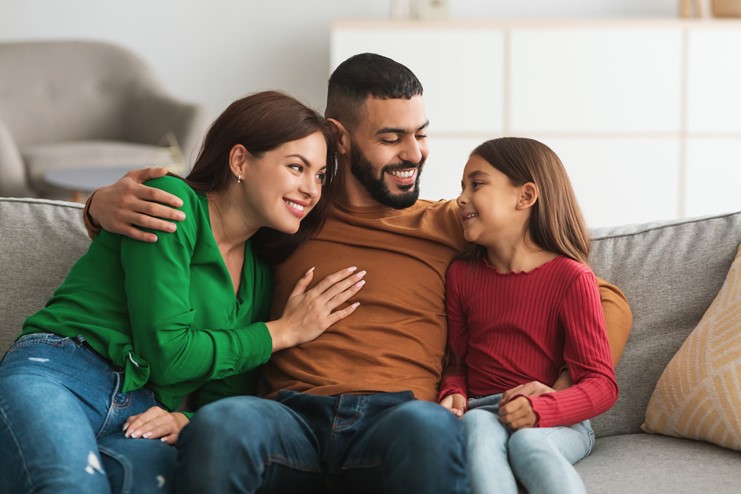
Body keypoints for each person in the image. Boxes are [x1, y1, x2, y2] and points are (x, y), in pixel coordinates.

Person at [84, 53, 633, 493]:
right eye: (391, 138)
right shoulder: (287, 219)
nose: (414, 154)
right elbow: (202, 243)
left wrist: (555, 397)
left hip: (398, 417)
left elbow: (604, 299)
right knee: (226, 423)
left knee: (430, 428)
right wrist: (97, 209)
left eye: (421, 134)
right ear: (339, 137)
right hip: (290, 417)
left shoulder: (452, 224)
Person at [0, 90, 365, 494]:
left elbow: (228, 396)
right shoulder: (171, 204)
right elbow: (168, 353)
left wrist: (187, 421)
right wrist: (284, 331)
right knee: (68, 486)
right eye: (297, 167)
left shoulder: (260, 273)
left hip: (142, 412)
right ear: (240, 160)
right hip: (62, 373)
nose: (311, 190)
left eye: (319, 176)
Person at [438, 137, 618, 494]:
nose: (460, 198)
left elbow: (601, 384)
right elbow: (458, 363)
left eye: (477, 184)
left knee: (528, 443)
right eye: (462, 186)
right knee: (474, 428)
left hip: (556, 419)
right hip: (484, 409)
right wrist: (454, 392)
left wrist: (543, 411)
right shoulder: (460, 274)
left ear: (525, 196)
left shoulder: (571, 278)